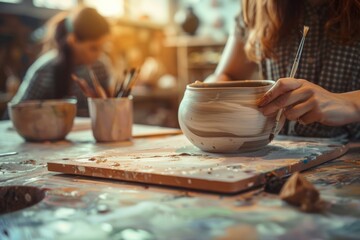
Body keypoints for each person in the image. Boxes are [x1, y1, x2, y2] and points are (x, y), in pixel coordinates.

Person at [205, 0, 360, 139]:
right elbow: (227, 76)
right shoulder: (256, 6)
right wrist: (209, 94)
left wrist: (351, 104)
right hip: (276, 153)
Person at [9, 6, 110, 117]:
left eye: (102, 47)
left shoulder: (100, 66)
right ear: (73, 39)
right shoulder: (44, 71)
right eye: (93, 48)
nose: (99, 54)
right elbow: (16, 114)